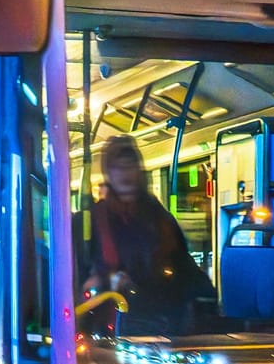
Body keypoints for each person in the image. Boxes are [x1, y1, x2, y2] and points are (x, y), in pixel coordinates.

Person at [77, 134, 211, 329]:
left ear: (139, 170)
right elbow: (78, 279)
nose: (125, 174)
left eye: (130, 165)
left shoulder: (160, 219)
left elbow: (183, 268)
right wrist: (105, 281)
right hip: (107, 327)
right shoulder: (90, 221)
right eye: (117, 167)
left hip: (161, 323)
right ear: (108, 173)